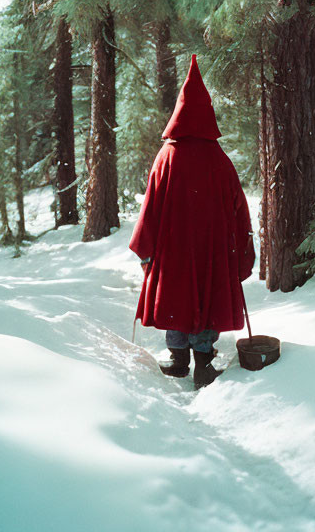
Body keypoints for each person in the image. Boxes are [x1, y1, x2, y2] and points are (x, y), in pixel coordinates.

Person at [130, 54, 255, 389]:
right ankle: (203, 362)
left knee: (178, 294)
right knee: (206, 292)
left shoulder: (166, 158)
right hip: (213, 247)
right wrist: (242, 246)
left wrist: (146, 247)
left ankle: (178, 360)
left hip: (174, 249)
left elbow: (151, 206)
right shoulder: (220, 160)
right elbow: (238, 208)